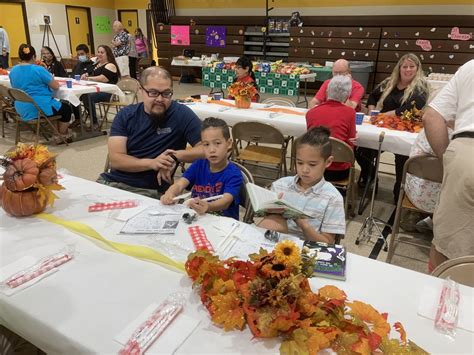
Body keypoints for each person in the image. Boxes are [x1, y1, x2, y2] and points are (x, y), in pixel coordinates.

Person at [98, 66, 204, 198]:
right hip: (113, 183)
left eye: (166, 93)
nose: (160, 99)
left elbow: (206, 148)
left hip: (152, 191)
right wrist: (153, 163)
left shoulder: (181, 114)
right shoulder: (126, 115)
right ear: (141, 90)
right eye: (153, 92)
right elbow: (116, 160)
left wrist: (174, 156)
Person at [422, 59, 474, 272]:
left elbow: (431, 116)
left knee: (448, 249)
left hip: (467, 153)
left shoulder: (470, 66)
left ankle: (441, 300)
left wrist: (449, 161)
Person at [356, 53, 429, 200]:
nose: (408, 70)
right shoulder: (389, 82)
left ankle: (399, 190)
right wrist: (371, 110)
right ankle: (369, 175)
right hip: (381, 127)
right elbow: (373, 96)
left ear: (417, 68)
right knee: (361, 150)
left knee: (402, 159)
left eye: (411, 67)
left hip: (404, 130)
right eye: (405, 66)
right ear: (399, 68)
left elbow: (409, 108)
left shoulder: (421, 88)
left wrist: (385, 114)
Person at [258, 126, 345, 243]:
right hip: (275, 242)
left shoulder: (333, 197)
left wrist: (303, 224)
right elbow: (267, 225)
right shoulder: (281, 185)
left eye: (312, 164)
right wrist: (269, 209)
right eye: (299, 162)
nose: (304, 170)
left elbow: (327, 243)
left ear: (328, 162)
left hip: (308, 248)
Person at [161, 117, 243, 219]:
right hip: (198, 218)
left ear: (229, 143)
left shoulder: (234, 173)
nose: (212, 150)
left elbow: (226, 201)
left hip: (223, 223)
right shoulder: (199, 164)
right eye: (206, 144)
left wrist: (208, 206)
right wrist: (170, 193)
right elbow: (180, 184)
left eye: (217, 143)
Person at [9, 44, 72, 143]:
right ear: (34, 56)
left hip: (21, 107)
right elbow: (55, 86)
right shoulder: (38, 69)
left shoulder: (13, 70)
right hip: (37, 108)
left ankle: (56, 133)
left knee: (55, 105)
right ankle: (61, 135)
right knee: (66, 109)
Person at [306, 75, 356, 181]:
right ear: (347, 96)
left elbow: (310, 140)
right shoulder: (350, 113)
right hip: (338, 171)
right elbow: (351, 141)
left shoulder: (311, 113)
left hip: (313, 167)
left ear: (327, 92)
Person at [80, 45, 120, 130]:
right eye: (98, 52)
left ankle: (94, 122)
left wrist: (89, 78)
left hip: (108, 92)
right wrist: (86, 75)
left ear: (108, 54)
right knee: (81, 95)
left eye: (102, 52)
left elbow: (103, 78)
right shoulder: (97, 64)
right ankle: (78, 119)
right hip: (97, 89)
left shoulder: (110, 65)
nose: (99, 54)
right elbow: (91, 73)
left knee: (87, 97)